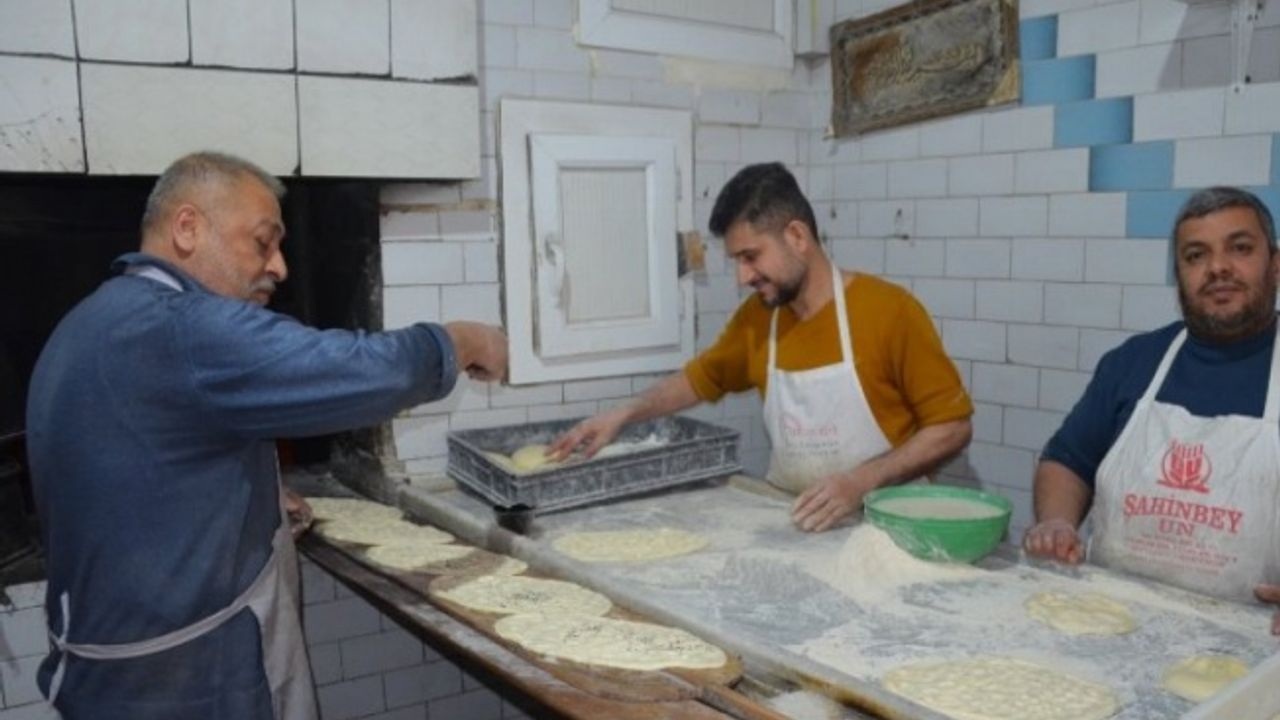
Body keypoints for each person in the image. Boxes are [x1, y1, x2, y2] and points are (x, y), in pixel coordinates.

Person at [26, 151, 508, 720]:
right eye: (263, 241)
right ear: (187, 228)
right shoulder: (182, 328)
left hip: (106, 677)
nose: (279, 266)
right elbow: (346, 368)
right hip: (184, 685)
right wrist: (460, 341)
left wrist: (251, 492)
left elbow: (135, 460)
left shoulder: (93, 320)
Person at [550, 162, 973, 532]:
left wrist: (861, 482)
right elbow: (701, 379)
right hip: (796, 521)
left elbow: (952, 427)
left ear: (796, 236)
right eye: (736, 260)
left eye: (751, 256)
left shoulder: (889, 311)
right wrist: (625, 413)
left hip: (888, 532)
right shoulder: (759, 320)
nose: (742, 277)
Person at [1023, 186, 1280, 632]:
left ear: (1275, 264)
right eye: (1195, 255)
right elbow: (1067, 461)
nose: (1218, 267)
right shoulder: (1133, 362)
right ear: (1179, 276)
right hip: (1108, 619)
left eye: (1239, 249)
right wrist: (1058, 522)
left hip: (1252, 641)